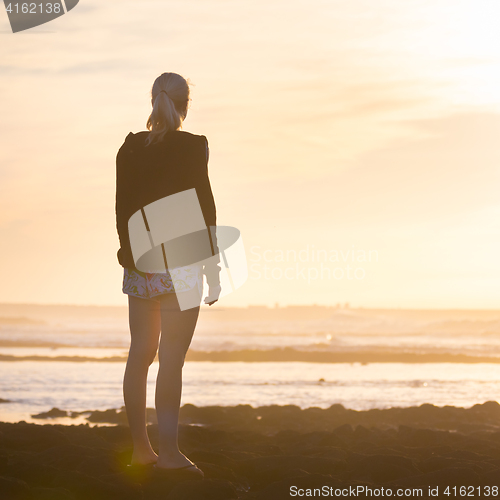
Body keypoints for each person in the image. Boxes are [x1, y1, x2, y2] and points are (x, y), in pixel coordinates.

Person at [115, 72, 221, 477]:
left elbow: (122, 207)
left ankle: (142, 450)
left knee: (139, 354)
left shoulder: (128, 148)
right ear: (185, 105)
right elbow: (204, 208)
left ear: (154, 99)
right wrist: (212, 267)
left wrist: (129, 256)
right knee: (171, 360)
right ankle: (171, 453)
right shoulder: (195, 147)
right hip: (182, 263)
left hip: (140, 263)